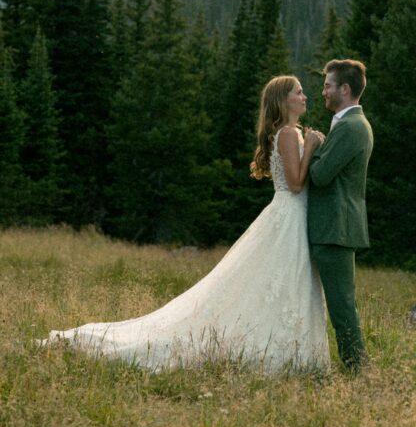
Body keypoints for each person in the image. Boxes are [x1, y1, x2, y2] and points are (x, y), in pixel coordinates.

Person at [44, 76, 331, 374]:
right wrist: (310, 146)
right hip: (288, 217)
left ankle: (291, 351)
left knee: (286, 284)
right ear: (283, 100)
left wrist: (308, 142)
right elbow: (296, 184)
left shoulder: (293, 132)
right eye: (299, 92)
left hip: (291, 218)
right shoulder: (288, 134)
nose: (305, 96)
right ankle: (284, 353)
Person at [307, 58, 373, 372]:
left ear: (344, 89)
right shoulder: (349, 124)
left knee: (342, 304)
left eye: (328, 86)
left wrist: (310, 147)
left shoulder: (351, 127)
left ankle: (356, 368)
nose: (323, 92)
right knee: (340, 301)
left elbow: (320, 175)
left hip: (336, 226)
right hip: (334, 226)